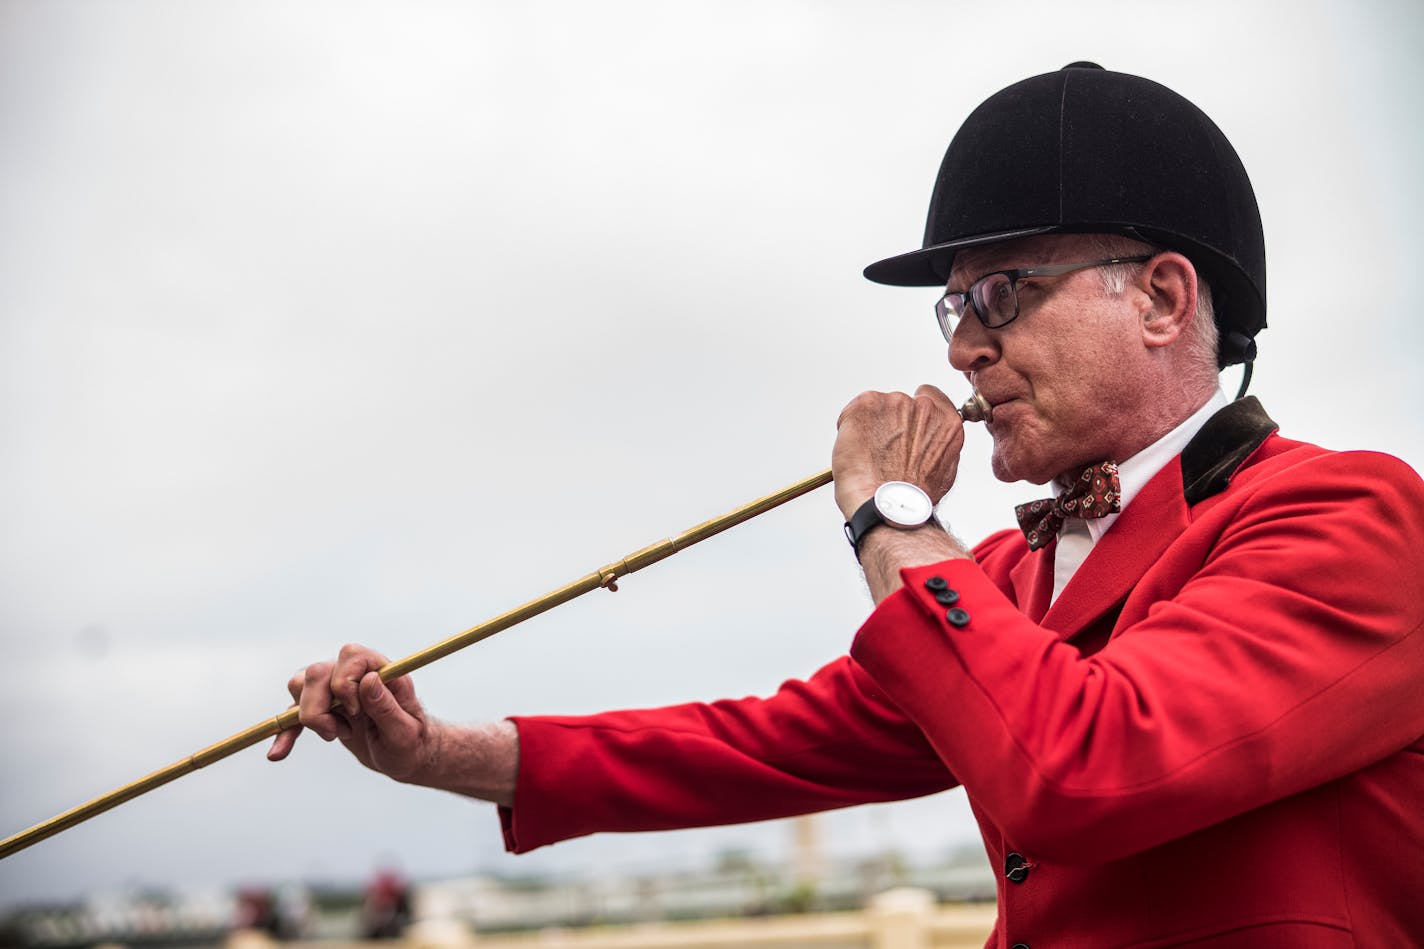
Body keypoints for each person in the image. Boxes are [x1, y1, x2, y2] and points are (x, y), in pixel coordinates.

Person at [268, 64, 1424, 947]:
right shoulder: (1015, 584)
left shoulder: (1348, 516)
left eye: (1001, 294)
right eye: (954, 310)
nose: (964, 345)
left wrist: (893, 511)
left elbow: (1082, 772)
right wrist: (435, 751)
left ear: (1163, 299)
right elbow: (755, 746)